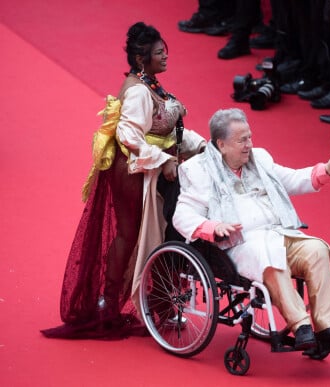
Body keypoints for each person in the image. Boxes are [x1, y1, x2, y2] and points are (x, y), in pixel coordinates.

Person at [41, 22, 206, 339]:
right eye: (160, 53)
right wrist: (163, 160)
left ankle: (151, 302)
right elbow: (128, 135)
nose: (166, 57)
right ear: (143, 59)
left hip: (150, 167)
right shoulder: (137, 92)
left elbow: (169, 133)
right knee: (132, 235)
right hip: (133, 170)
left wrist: (201, 146)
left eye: (165, 51)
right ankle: (110, 303)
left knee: (149, 235)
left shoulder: (150, 84)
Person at [172, 108, 330, 354]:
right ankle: (301, 326)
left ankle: (328, 328)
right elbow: (181, 216)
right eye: (242, 140)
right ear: (222, 144)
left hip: (278, 234)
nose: (249, 144)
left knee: (317, 249)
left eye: (250, 137)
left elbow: (290, 179)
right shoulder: (198, 171)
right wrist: (214, 226)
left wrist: (325, 171)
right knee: (266, 257)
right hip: (239, 244)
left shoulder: (260, 158)